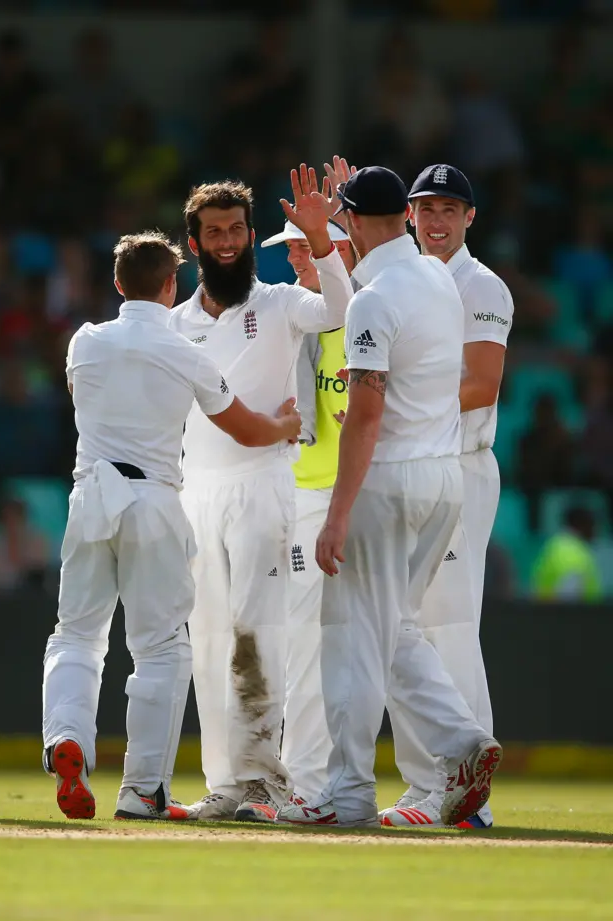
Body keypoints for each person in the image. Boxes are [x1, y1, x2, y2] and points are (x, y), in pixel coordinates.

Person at [41, 231, 301, 822]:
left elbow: (88, 395)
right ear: (171, 285)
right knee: (159, 649)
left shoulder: (84, 342)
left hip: (90, 497)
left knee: (76, 636)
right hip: (154, 499)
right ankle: (142, 790)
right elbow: (245, 430)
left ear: (116, 283)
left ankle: (67, 738)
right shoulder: (187, 353)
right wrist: (285, 426)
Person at [278, 166, 502, 829]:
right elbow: (373, 321)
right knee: (396, 627)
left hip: (393, 478)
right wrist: (332, 230)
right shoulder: (435, 275)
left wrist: (338, 513)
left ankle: (344, 794)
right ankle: (462, 742)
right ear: (404, 217)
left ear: (350, 221)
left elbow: (366, 416)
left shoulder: (377, 299)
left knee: (348, 633)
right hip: (443, 480)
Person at [168, 167, 352, 823]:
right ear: (193, 243)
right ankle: (225, 781)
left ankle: (264, 782)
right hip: (198, 493)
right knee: (209, 636)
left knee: (257, 631)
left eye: (236, 230)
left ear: (249, 236)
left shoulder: (278, 303)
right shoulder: (176, 323)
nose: (226, 241)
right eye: (213, 232)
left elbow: (339, 308)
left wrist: (320, 240)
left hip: (262, 484)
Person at [381, 163, 514, 829]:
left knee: (449, 624)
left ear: (469, 218)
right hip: (411, 464)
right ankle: (423, 783)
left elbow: (482, 383)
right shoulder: (405, 279)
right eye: (424, 208)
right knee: (401, 626)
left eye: (448, 209)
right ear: (408, 215)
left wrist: (393, 399)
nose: (435, 220)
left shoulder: (480, 284)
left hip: (459, 467)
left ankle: (468, 799)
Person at [261, 209, 357, 801]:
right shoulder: (287, 314)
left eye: (305, 247)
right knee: (304, 639)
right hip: (299, 494)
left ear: (341, 252)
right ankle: (308, 782)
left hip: (353, 495)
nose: (294, 257)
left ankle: (316, 784)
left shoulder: (366, 315)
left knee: (357, 639)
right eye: (293, 248)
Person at [531, 506, 603, 601]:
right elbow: (568, 599)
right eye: (593, 525)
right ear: (583, 525)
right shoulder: (573, 553)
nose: (596, 531)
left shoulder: (556, 545)